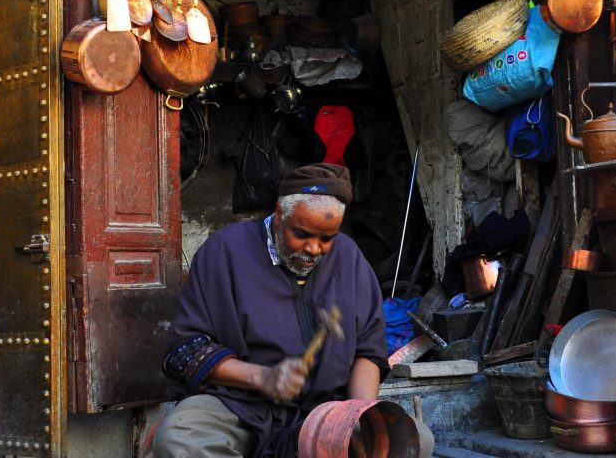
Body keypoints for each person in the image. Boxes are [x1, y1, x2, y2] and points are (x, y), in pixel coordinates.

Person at [153, 163, 434, 458]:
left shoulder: (349, 258)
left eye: (327, 239)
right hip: (239, 406)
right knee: (179, 439)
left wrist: (358, 416)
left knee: (412, 441)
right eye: (302, 234)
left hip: (322, 411)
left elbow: (368, 351)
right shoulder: (224, 251)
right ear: (279, 213)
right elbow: (184, 352)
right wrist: (262, 377)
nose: (314, 249)